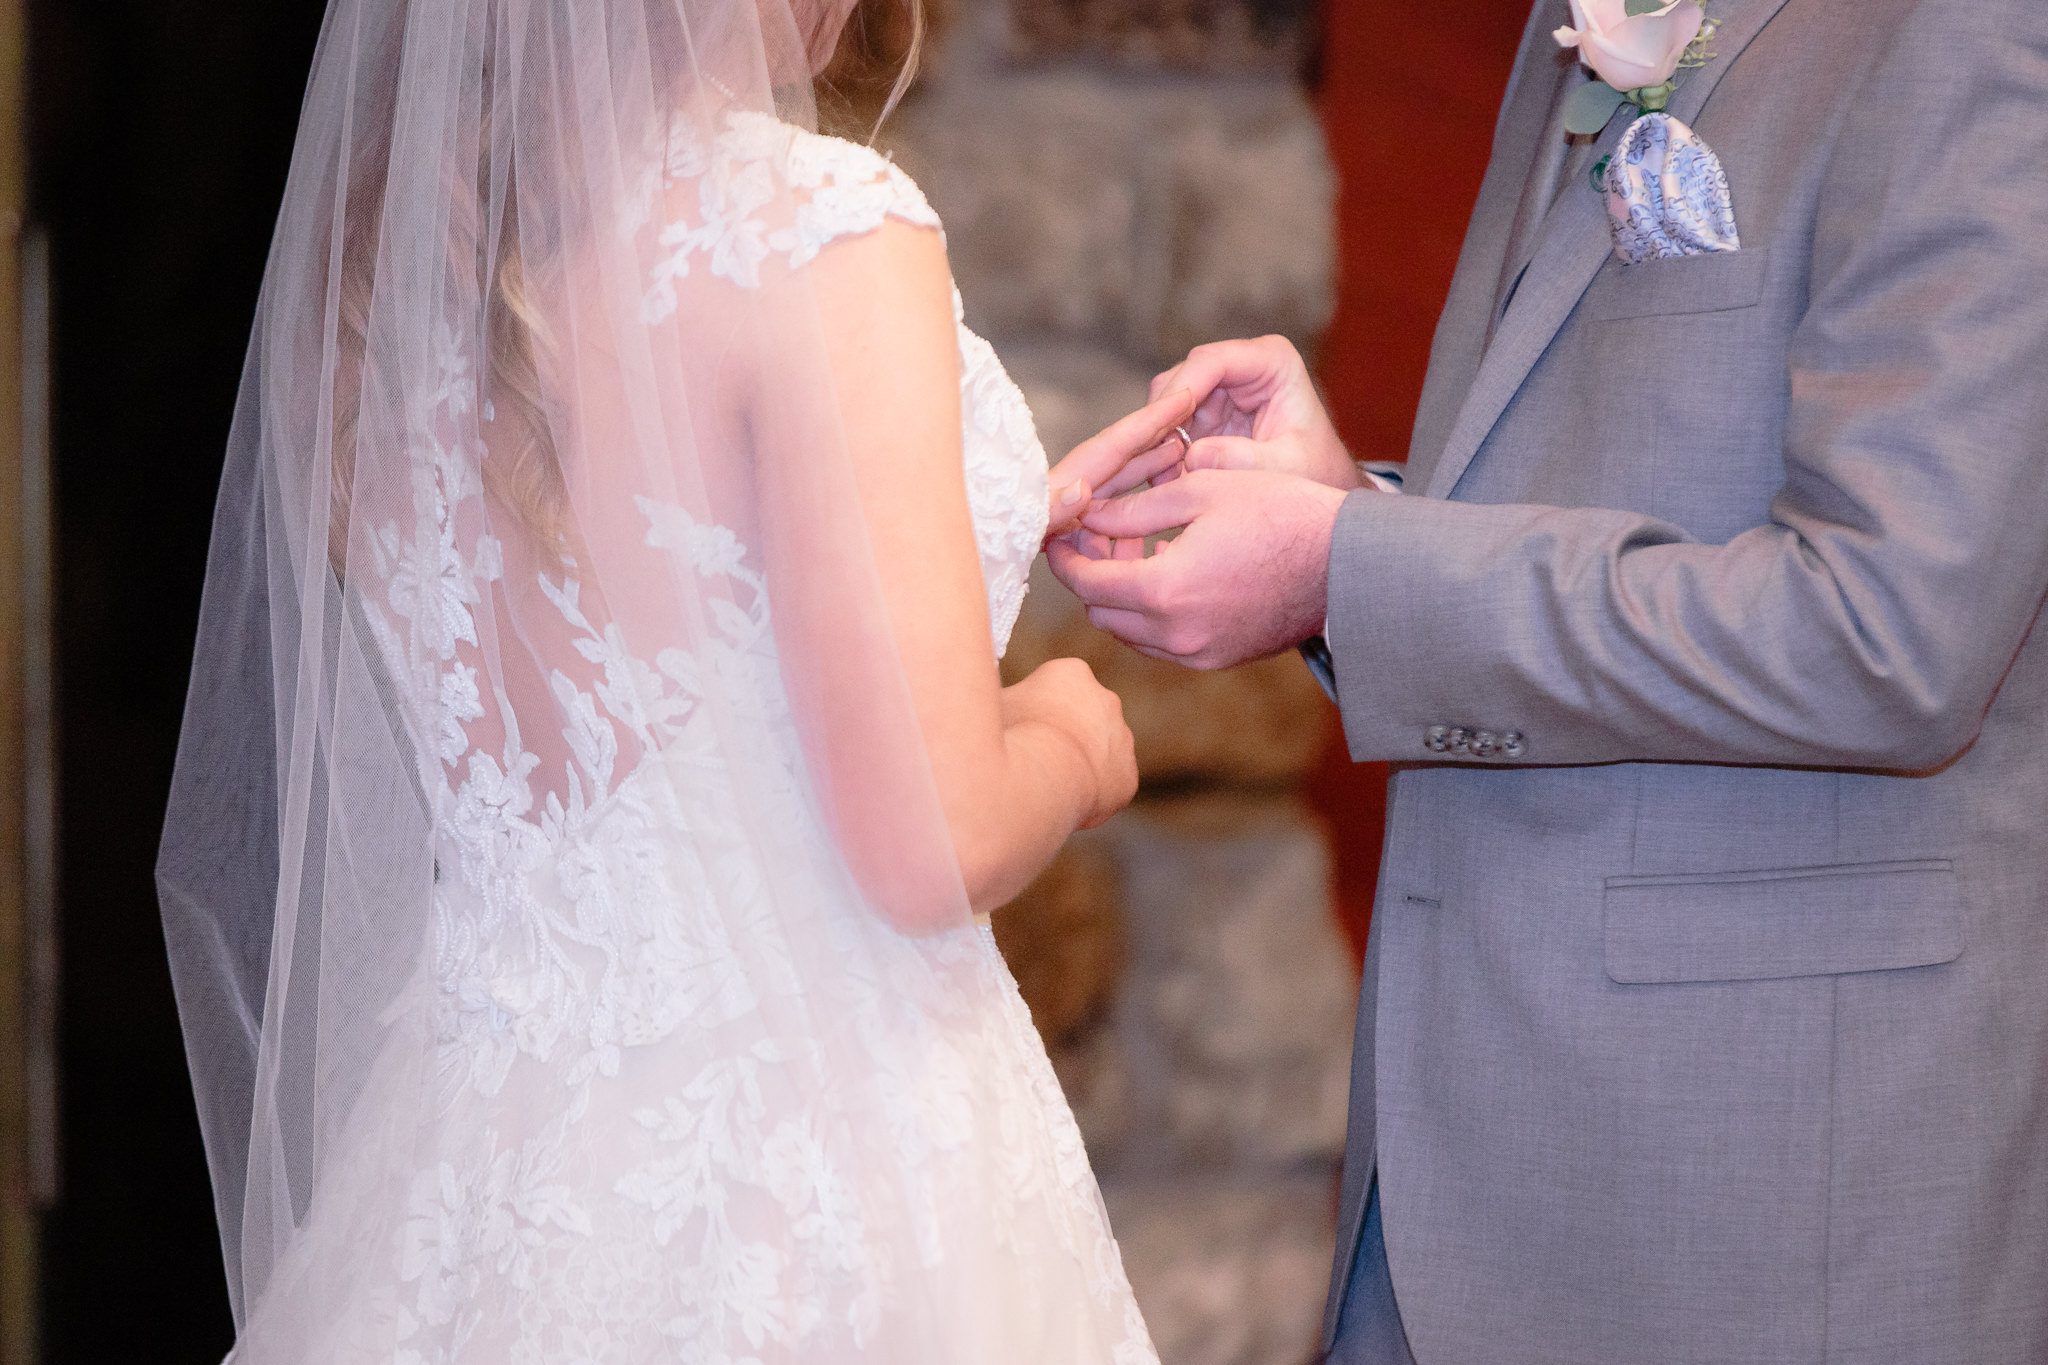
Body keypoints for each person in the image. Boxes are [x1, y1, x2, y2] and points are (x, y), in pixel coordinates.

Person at [155, 0, 1189, 1358]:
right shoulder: (814, 229)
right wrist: (1069, 732)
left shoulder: (376, 283)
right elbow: (928, 841)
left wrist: (949, 554)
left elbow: (638, 716)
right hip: (812, 1165)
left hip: (484, 1165)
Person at [1048, 0, 2048, 1361]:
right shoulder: (1573, 26)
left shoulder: (1962, 26)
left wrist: (1358, 568)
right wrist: (1346, 514)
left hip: (1754, 1211)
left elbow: (1887, 629)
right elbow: (1604, 491)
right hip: (1454, 1178)